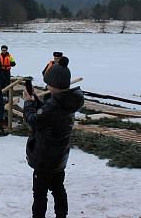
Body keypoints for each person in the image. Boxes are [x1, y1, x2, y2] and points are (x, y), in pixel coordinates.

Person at [23, 56, 84, 218]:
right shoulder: (67, 101)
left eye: (48, 82)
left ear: (55, 84)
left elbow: (34, 121)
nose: (47, 85)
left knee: (40, 194)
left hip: (45, 158)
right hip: (59, 157)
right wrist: (35, 99)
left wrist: (28, 103)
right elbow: (48, 114)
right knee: (58, 189)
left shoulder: (56, 103)